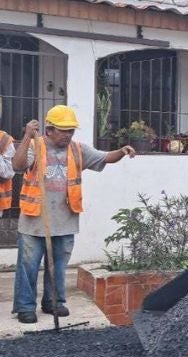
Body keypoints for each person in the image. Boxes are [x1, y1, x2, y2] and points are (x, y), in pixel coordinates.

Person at [11, 105, 136, 324]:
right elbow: (18, 165)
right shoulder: (34, 145)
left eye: (71, 130)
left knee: (58, 267)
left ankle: (54, 303)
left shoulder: (78, 150)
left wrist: (122, 152)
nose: (68, 134)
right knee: (28, 266)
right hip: (34, 220)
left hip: (65, 221)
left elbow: (105, 157)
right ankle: (25, 307)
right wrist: (26, 136)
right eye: (63, 130)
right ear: (49, 130)